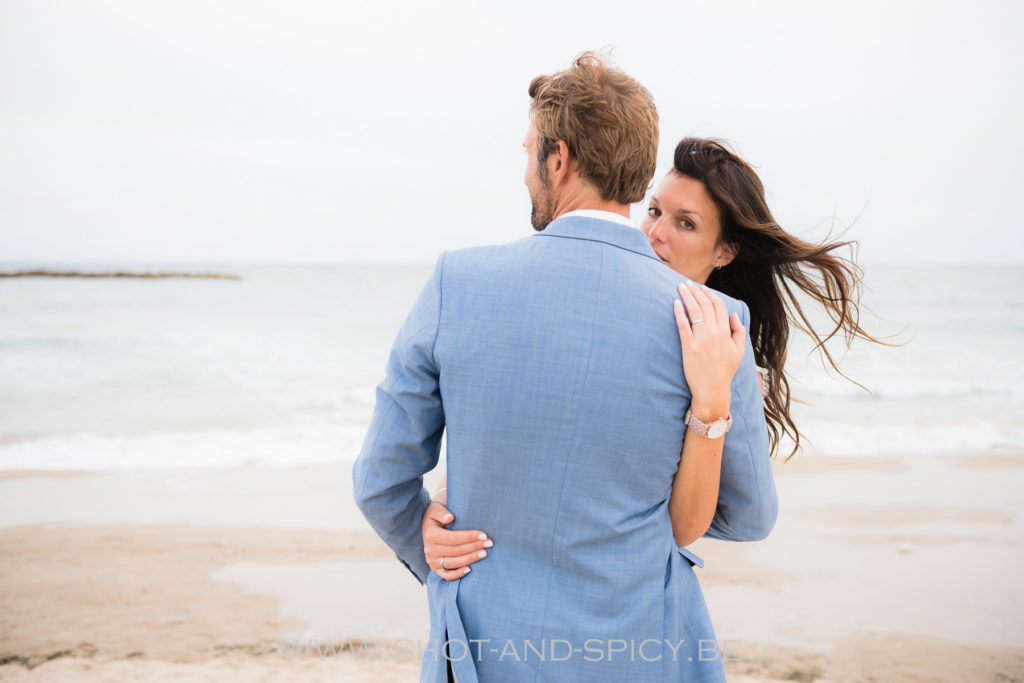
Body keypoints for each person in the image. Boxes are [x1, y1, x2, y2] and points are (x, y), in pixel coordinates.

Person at [352, 52, 776, 682]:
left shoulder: (457, 282)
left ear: (559, 158)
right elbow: (746, 516)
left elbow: (380, 481)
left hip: (483, 650)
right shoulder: (716, 323)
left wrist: (426, 540)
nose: (527, 171)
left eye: (528, 153)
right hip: (640, 650)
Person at [422, 136, 884, 585]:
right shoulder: (626, 312)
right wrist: (443, 503)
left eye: (686, 224)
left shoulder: (724, 346)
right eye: (655, 211)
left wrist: (718, 404)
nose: (654, 233)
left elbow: (750, 517)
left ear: (724, 251)